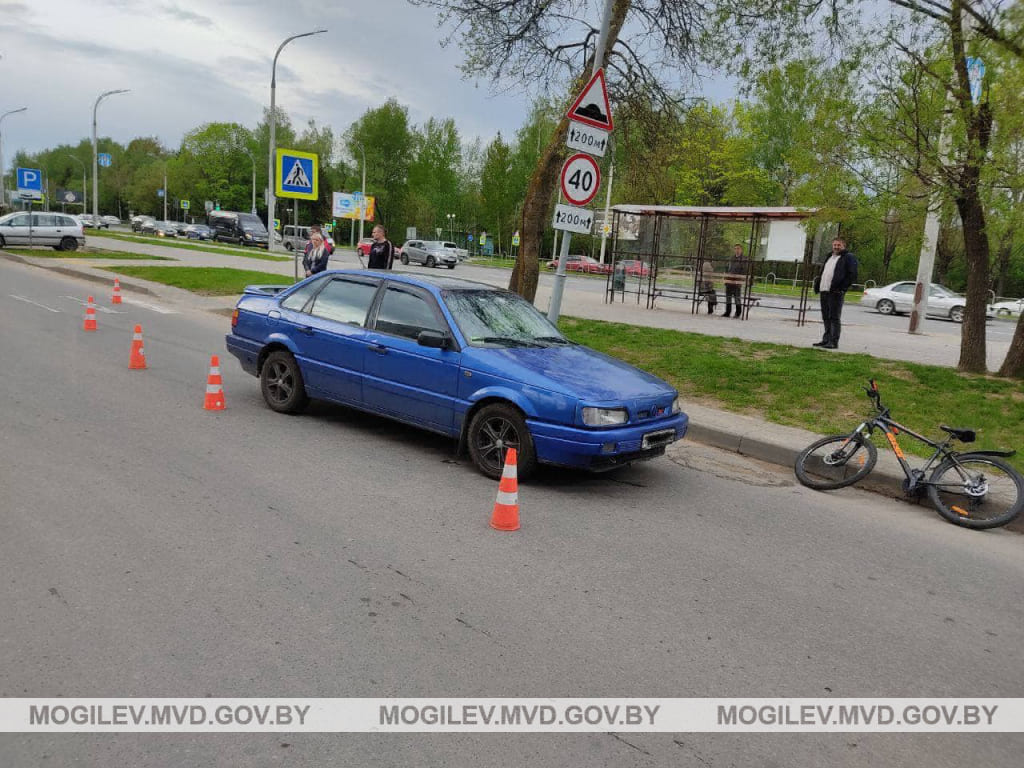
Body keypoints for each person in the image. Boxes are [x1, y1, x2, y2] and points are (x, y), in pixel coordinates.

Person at [813, 237, 858, 349]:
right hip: (825, 290)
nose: (836, 247)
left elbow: (852, 274)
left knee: (834, 317)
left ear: (843, 246)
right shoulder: (830, 256)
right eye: (835, 245)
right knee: (826, 317)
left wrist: (842, 288)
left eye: (839, 245)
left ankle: (834, 342)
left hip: (836, 292)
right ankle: (826, 339)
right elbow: (824, 271)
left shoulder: (848, 257)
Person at [722, 244, 746, 318]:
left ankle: (738, 313)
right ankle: (727, 312)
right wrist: (726, 278)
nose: (737, 250)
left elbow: (744, 271)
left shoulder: (744, 259)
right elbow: (727, 268)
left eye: (738, 248)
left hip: (737, 282)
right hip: (729, 281)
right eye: (735, 248)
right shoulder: (731, 258)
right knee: (728, 297)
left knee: (737, 298)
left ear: (741, 250)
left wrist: (738, 278)